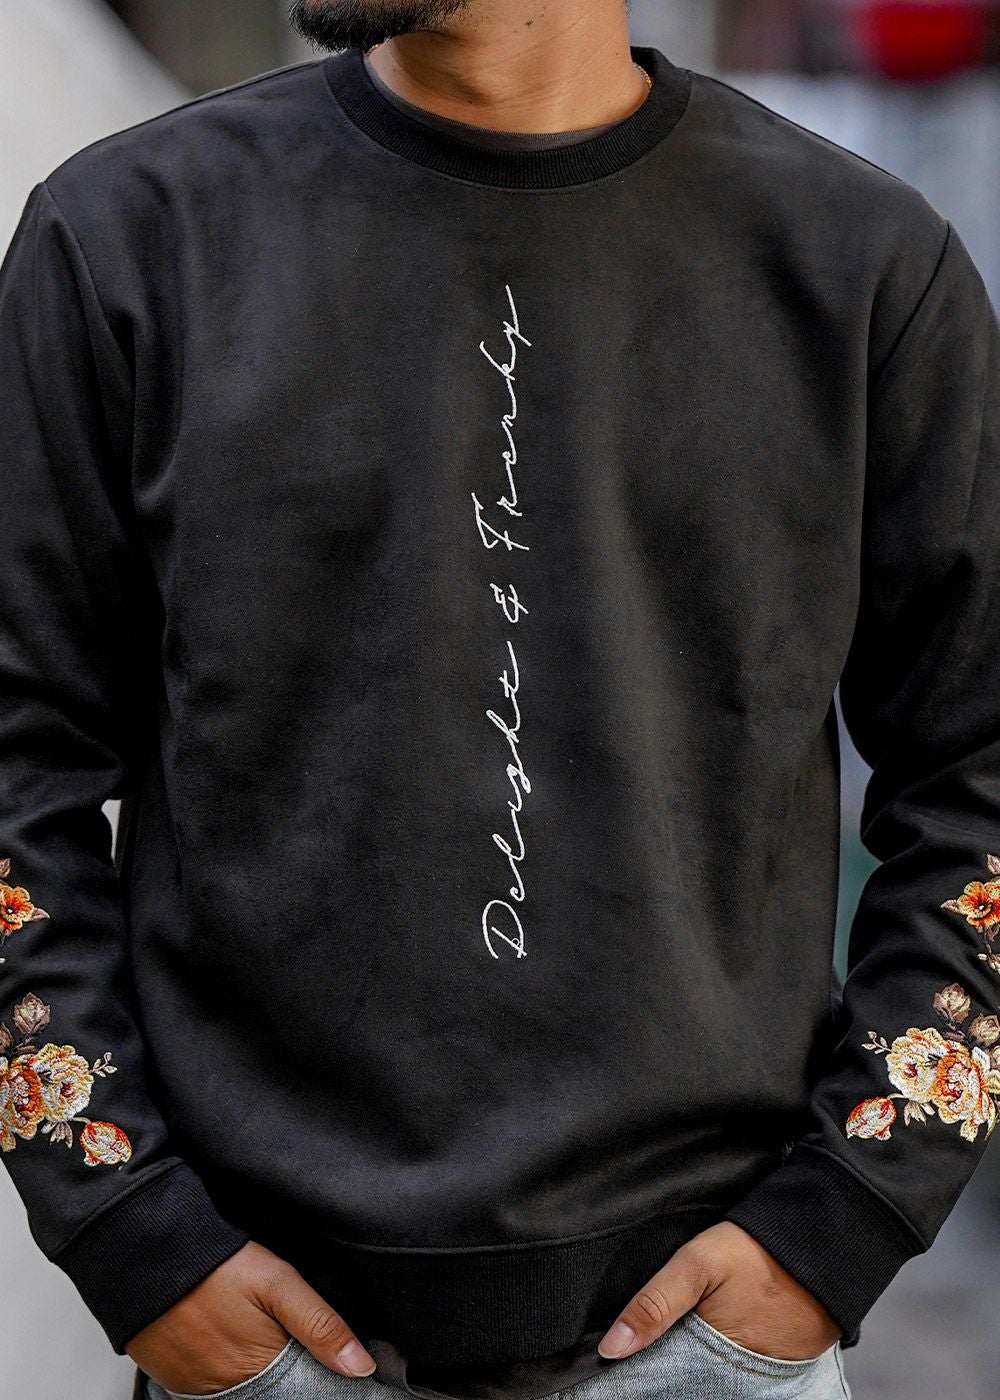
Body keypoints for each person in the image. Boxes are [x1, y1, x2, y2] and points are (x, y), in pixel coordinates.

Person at [1, 0, 998, 1396]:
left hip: (712, 1344)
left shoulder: (861, 265)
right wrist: (127, 1226)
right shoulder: (128, 239)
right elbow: (18, 762)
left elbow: (976, 773)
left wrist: (845, 1216)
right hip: (261, 1340)